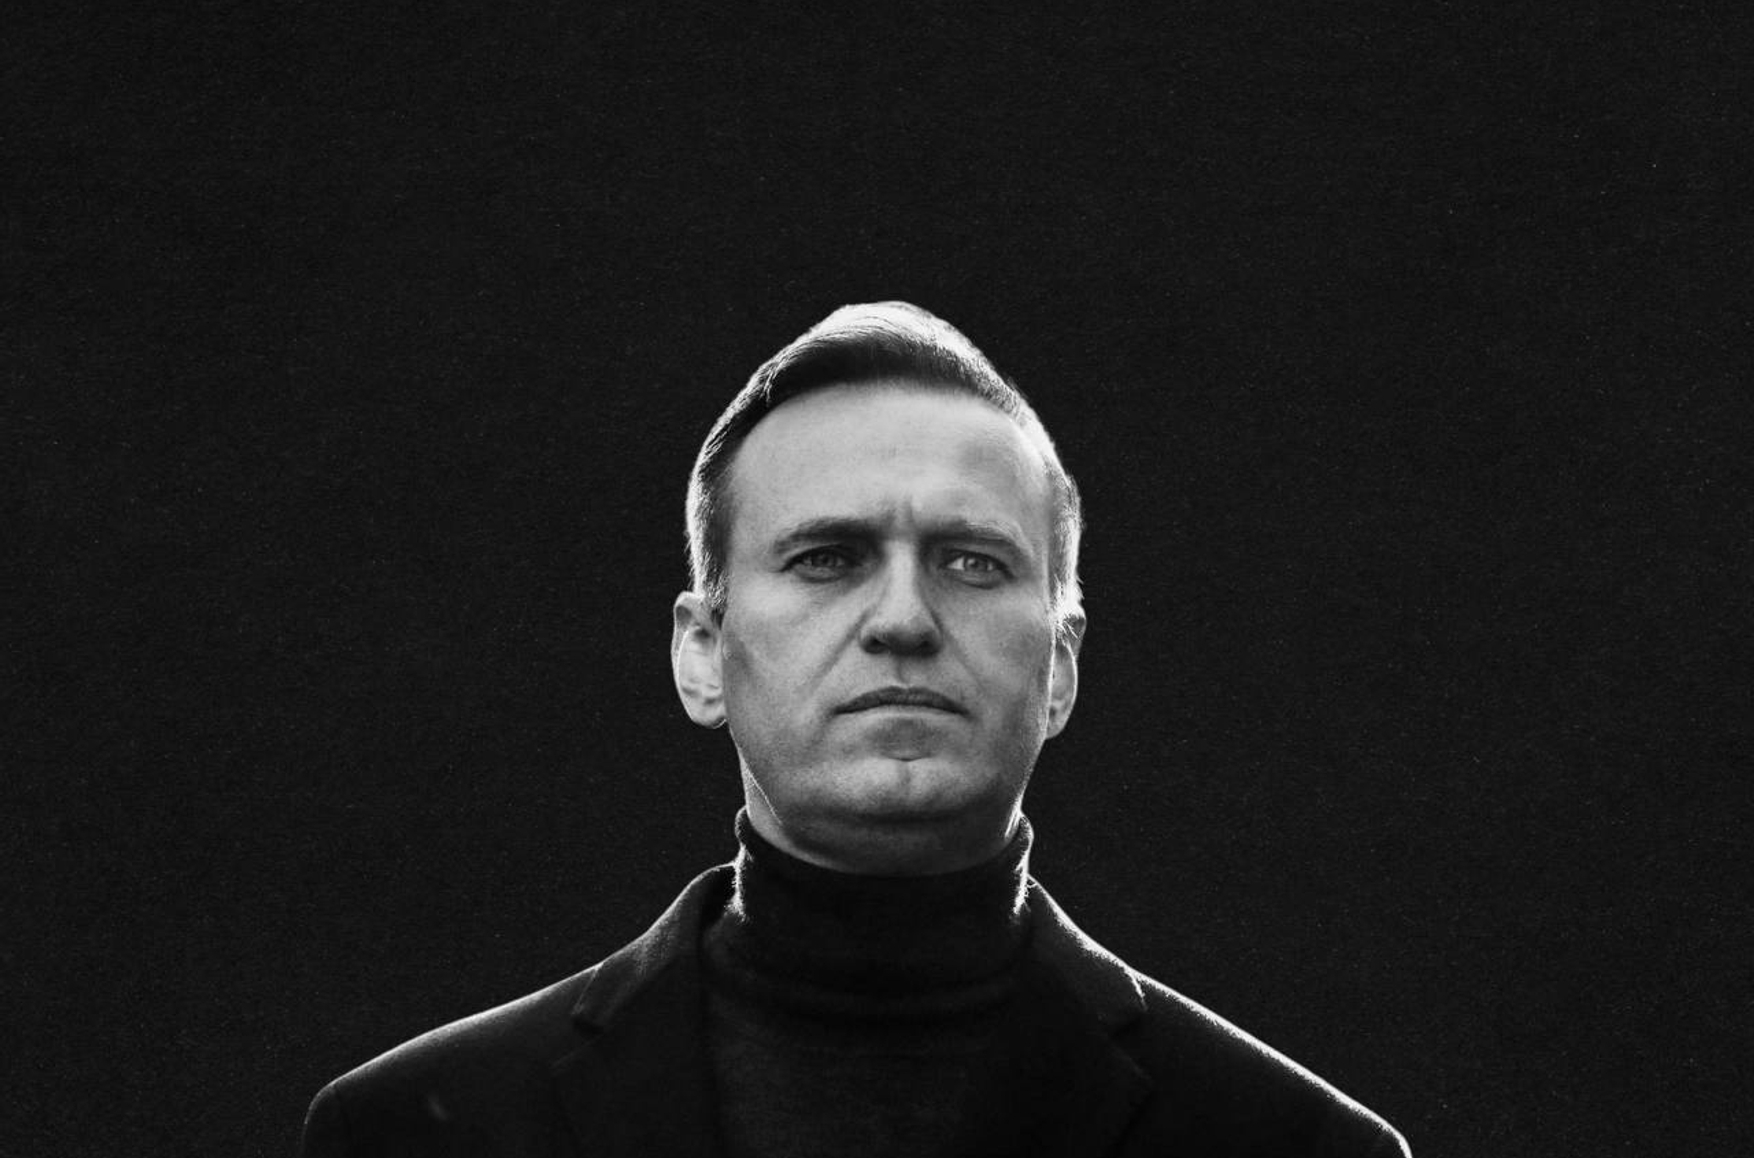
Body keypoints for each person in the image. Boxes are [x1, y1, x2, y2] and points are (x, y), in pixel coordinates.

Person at [300, 302, 1412, 1157]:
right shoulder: (407, 1135)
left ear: (1061, 667)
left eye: (971, 561)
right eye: (827, 558)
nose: (902, 620)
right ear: (701, 653)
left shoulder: (1296, 1149)